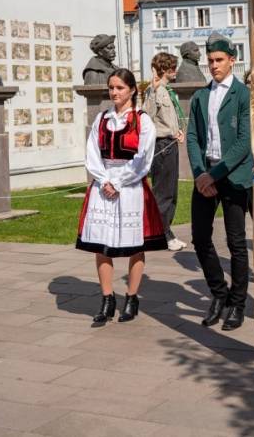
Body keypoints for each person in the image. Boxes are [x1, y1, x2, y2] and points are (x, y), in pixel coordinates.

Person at [77, 69, 167, 326]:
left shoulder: (142, 121)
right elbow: (92, 152)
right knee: (101, 244)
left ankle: (131, 297)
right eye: (111, 88)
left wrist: (117, 182)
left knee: (134, 245)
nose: (114, 92)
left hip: (130, 187)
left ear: (132, 90)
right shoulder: (102, 118)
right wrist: (104, 179)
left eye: (119, 88)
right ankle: (107, 298)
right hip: (103, 184)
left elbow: (143, 159)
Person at [186, 33, 254, 331]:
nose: (213, 65)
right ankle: (218, 293)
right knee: (200, 237)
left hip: (234, 177)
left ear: (232, 61)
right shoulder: (202, 96)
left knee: (236, 242)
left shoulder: (243, 95)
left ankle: (238, 303)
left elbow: (244, 142)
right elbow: (192, 137)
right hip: (206, 174)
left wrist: (213, 175)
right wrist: (202, 173)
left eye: (219, 60)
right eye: (210, 60)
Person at [143, 52, 187, 251]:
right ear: (165, 69)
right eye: (172, 67)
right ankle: (164, 235)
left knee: (171, 192)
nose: (175, 71)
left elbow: (166, 119)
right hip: (161, 147)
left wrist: (176, 132)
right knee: (163, 193)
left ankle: (163, 232)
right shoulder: (154, 90)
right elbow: (147, 116)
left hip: (170, 143)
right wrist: (152, 90)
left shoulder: (167, 90)